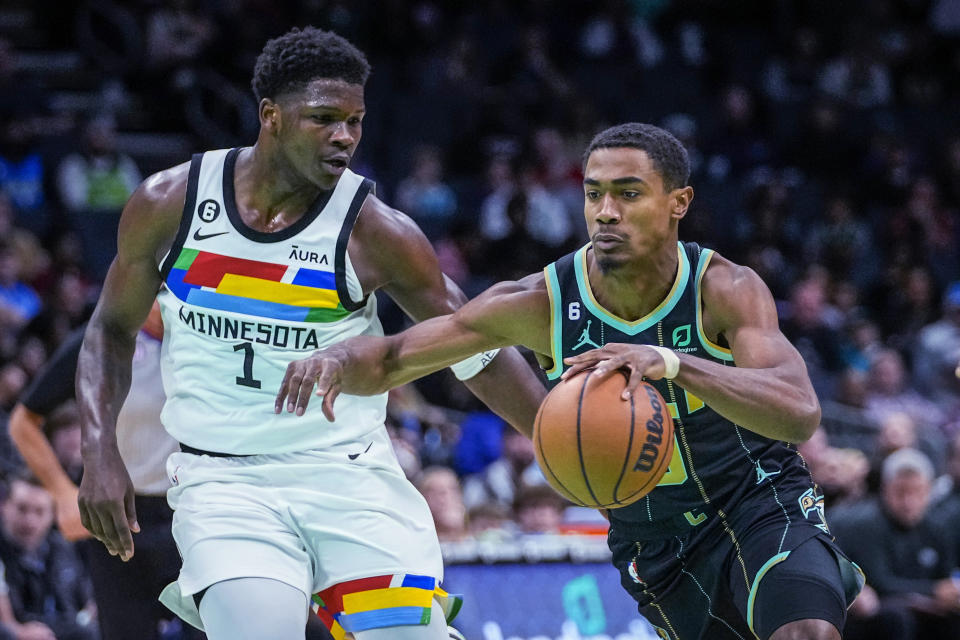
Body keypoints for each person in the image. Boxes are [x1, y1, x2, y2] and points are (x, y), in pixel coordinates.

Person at [283, 123, 866, 640]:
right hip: (653, 537)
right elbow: (394, 357)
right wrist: (334, 360)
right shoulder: (543, 301)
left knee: (805, 630)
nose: (605, 211)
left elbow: (798, 411)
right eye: (594, 194)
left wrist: (676, 363)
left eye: (628, 193)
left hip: (758, 499)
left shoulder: (725, 288)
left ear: (677, 202)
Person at [76, 26, 545, 640]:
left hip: (348, 474)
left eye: (355, 121)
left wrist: (553, 436)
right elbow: (110, 329)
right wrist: (98, 448)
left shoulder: (375, 230)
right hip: (225, 481)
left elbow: (469, 341)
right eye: (324, 118)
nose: (345, 137)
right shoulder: (172, 202)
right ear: (270, 116)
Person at [8, 307, 203, 640]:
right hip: (117, 518)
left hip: (194, 513)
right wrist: (62, 493)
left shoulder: (210, 340)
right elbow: (23, 422)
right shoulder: (101, 340)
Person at [832, 449, 960, 639]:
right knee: (897, 617)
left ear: (929, 491)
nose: (908, 502)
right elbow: (880, 582)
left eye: (917, 492)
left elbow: (947, 577)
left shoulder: (937, 527)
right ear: (885, 489)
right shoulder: (868, 524)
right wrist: (933, 590)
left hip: (926, 609)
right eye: (900, 492)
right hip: (876, 609)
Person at [0, 473, 98, 640]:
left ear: (53, 515)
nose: (29, 521)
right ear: (3, 507)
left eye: (39, 512)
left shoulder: (64, 548)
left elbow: (86, 599)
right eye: (21, 509)